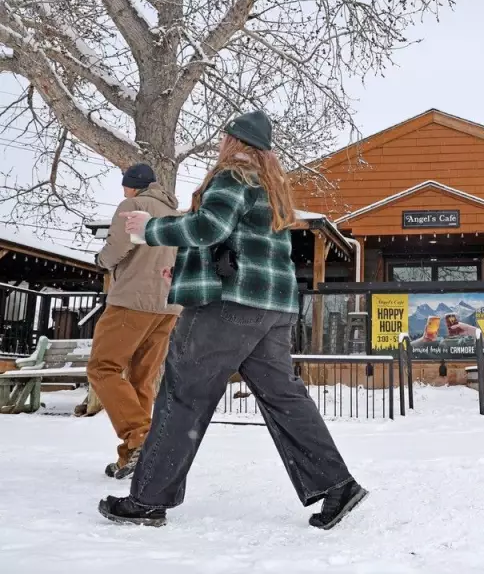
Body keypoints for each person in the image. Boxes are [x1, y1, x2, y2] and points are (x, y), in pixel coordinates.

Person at [97, 111, 367, 529]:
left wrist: (150, 229)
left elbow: (208, 228)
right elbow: (236, 244)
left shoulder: (233, 174)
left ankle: (148, 500)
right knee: (284, 396)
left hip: (229, 307)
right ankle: (337, 485)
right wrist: (184, 268)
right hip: (273, 307)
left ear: (233, 141)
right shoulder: (271, 186)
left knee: (182, 394)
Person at [89, 164, 182, 479]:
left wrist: (101, 261)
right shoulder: (176, 215)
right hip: (168, 306)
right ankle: (135, 455)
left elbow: (118, 247)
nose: (123, 191)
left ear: (132, 186)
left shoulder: (134, 205)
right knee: (142, 378)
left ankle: (140, 436)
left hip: (133, 300)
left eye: (125, 186)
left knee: (103, 368)